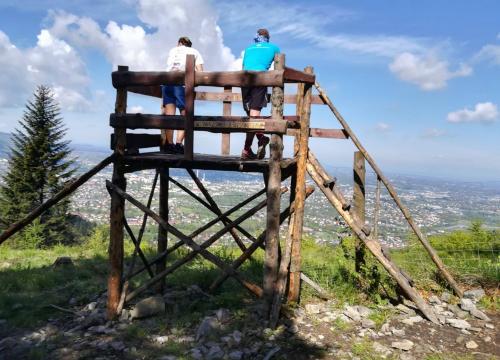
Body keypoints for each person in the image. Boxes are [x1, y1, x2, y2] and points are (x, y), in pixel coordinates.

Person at [240, 28, 280, 160]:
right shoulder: (274, 47)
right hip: (260, 79)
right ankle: (252, 145)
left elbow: (244, 66)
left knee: (251, 115)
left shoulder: (248, 48)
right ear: (268, 37)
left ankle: (254, 144)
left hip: (244, 79)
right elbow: (280, 68)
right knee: (254, 116)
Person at [162, 36, 204, 154]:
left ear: (179, 43)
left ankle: (169, 145)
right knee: (185, 114)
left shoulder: (172, 50)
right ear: (189, 44)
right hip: (181, 84)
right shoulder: (194, 51)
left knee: (169, 115)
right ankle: (178, 144)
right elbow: (201, 72)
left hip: (167, 82)